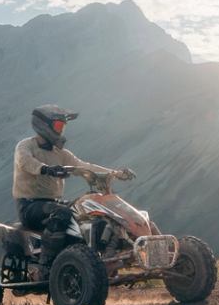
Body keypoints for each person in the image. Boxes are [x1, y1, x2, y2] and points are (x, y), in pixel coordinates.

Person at [13, 105, 131, 267]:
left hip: (53, 202)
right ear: (44, 125)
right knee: (61, 212)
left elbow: (83, 165)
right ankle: (46, 264)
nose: (61, 130)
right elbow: (25, 162)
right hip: (29, 205)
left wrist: (116, 173)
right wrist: (46, 169)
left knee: (83, 209)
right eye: (58, 125)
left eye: (63, 126)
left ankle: (86, 258)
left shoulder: (61, 153)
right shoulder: (25, 146)